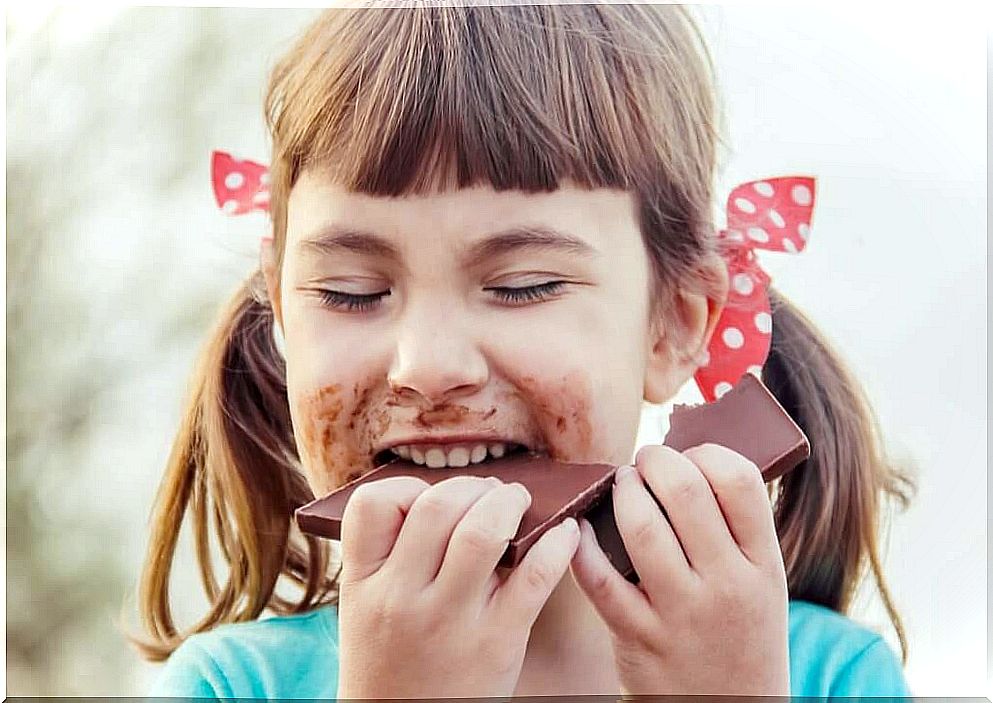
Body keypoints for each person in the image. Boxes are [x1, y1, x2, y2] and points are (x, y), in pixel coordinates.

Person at [133, 4, 917, 697]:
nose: (428, 367)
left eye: (521, 285)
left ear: (673, 324)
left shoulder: (828, 677)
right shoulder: (231, 686)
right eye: (349, 292)